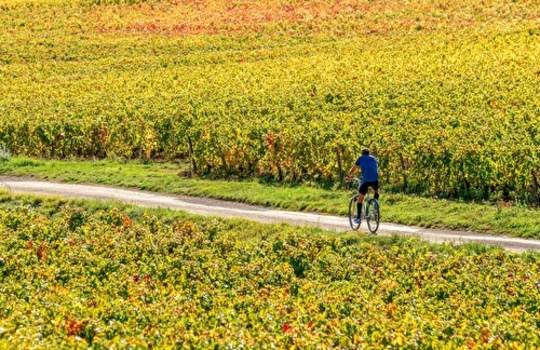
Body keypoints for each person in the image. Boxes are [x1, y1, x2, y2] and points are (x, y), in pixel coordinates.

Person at [345, 147, 380, 224]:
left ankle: (358, 218)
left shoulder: (360, 158)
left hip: (366, 180)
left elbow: (353, 169)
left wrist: (349, 176)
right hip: (375, 179)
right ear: (369, 153)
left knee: (360, 199)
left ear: (362, 154)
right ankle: (375, 207)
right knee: (376, 191)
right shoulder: (374, 158)